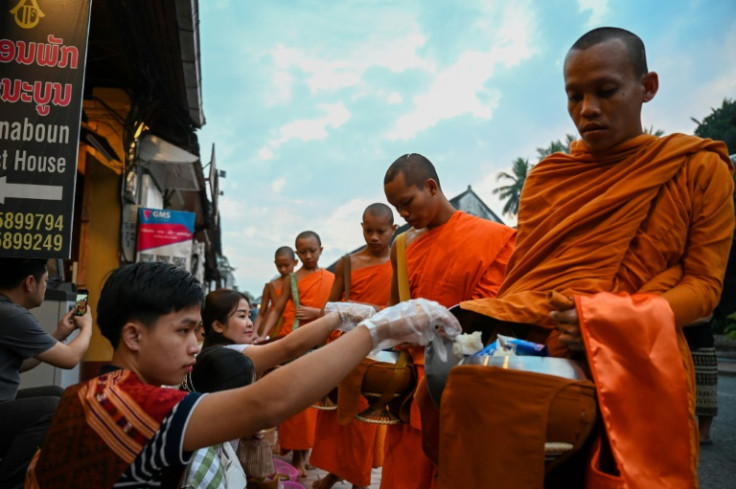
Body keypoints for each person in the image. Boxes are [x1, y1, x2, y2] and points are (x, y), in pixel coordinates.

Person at [434, 27, 734, 489]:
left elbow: (705, 287)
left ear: (647, 87)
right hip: (537, 367)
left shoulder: (698, 167)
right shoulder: (548, 179)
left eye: (606, 91)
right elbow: (525, 284)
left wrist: (606, 318)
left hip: (635, 367)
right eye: (574, 96)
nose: (587, 110)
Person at [25, 260, 461, 488]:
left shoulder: (93, 390)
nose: (196, 345)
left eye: (197, 331)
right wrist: (376, 330)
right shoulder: (138, 405)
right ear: (134, 336)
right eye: (183, 331)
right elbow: (265, 402)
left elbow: (279, 355)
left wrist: (339, 320)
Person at [381, 155, 517, 489]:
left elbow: (493, 318)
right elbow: (394, 309)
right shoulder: (402, 245)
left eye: (407, 203)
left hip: (462, 386)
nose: (404, 215)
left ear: (431, 187)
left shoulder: (494, 238)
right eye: (397, 208)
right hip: (409, 389)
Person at [310, 203, 396, 489]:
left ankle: (359, 480)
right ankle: (334, 473)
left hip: (380, 349)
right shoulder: (349, 262)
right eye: (368, 230)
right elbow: (330, 307)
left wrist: (375, 313)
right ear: (361, 228)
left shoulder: (402, 261)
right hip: (346, 347)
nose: (373, 237)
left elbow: (402, 305)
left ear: (393, 230)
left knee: (365, 422)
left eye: (380, 231)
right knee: (339, 419)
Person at [0, 258, 92, 489]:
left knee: (59, 395)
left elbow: (19, 364)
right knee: (52, 407)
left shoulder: (6, 310)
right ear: (29, 282)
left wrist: (59, 333)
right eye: (45, 281)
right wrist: (87, 325)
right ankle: (11, 483)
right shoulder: (11, 314)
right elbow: (70, 359)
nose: (45, 287)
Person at [258, 231, 335, 476]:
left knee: (314, 404)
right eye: (303, 252)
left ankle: (306, 453)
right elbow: (275, 309)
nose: (308, 255)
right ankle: (296, 456)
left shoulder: (331, 278)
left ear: (321, 250)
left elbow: (337, 309)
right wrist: (263, 334)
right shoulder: (292, 279)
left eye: (313, 250)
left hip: (321, 344)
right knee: (296, 403)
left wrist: (317, 314)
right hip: (296, 343)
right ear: (297, 253)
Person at [253, 246, 298, 336]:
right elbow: (261, 312)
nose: (283, 269)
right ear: (275, 263)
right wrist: (254, 333)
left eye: (286, 265)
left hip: (296, 325)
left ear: (295, 262)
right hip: (276, 327)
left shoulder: (301, 281)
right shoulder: (271, 286)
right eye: (279, 266)